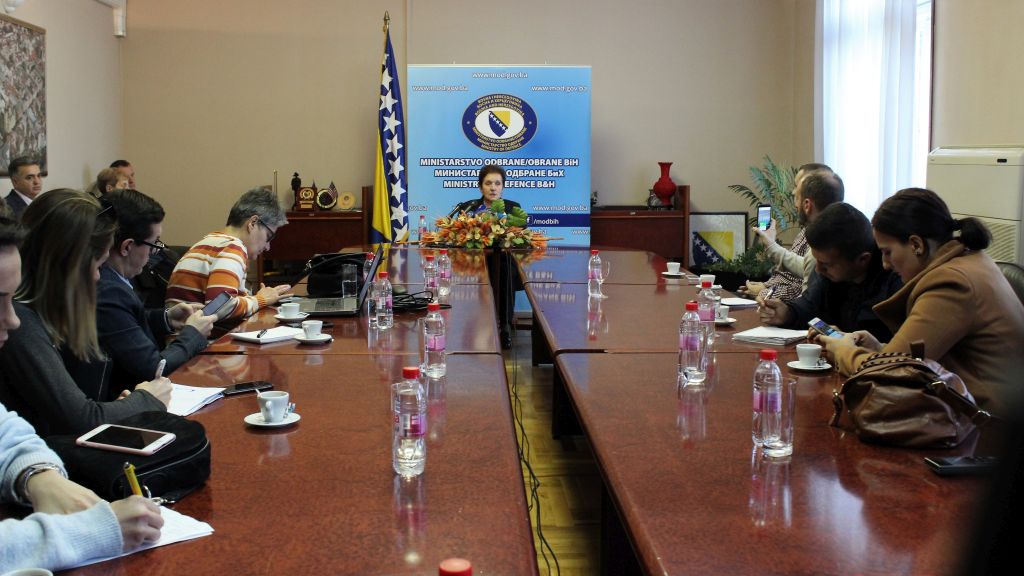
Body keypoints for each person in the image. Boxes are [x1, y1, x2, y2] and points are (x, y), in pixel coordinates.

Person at [0, 217, 163, 570]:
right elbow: (80, 416)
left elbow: (5, 432)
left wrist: (37, 474)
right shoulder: (28, 329)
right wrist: (93, 531)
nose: (12, 320)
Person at [817, 188, 1024, 415]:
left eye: (887, 252)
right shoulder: (970, 260)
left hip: (985, 425)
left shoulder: (951, 283)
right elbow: (912, 361)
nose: (885, 264)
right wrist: (880, 349)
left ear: (916, 245)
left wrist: (843, 352)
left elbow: (890, 374)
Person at [0, 190, 170, 437]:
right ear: (68, 265)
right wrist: (147, 399)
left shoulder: (49, 313)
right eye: (98, 265)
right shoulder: (24, 323)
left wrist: (120, 407)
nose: (98, 277)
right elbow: (81, 419)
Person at [96, 189, 215, 393]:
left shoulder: (115, 278)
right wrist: (193, 334)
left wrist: (167, 318)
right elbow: (154, 367)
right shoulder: (107, 290)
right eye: (153, 244)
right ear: (127, 247)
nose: (154, 252)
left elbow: (126, 323)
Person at [758, 202, 902, 342]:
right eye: (817, 261)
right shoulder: (827, 274)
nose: (818, 269)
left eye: (826, 264)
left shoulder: (896, 280)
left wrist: (844, 339)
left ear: (863, 259)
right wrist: (787, 313)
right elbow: (809, 306)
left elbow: (899, 346)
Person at [165, 187, 291, 320]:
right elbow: (220, 306)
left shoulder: (207, 242)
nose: (267, 247)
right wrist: (260, 300)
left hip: (183, 330)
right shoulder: (233, 247)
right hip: (200, 332)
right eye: (269, 237)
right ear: (253, 223)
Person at [744, 165, 844, 300]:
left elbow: (805, 295)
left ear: (807, 204)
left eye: (797, 187)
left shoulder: (824, 241)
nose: (793, 192)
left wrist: (764, 294)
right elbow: (803, 268)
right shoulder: (823, 231)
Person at [451, 164, 523, 216]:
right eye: (488, 183)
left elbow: (522, 232)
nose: (493, 188)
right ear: (480, 187)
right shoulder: (467, 207)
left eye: (497, 184)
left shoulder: (514, 208)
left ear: (503, 187)